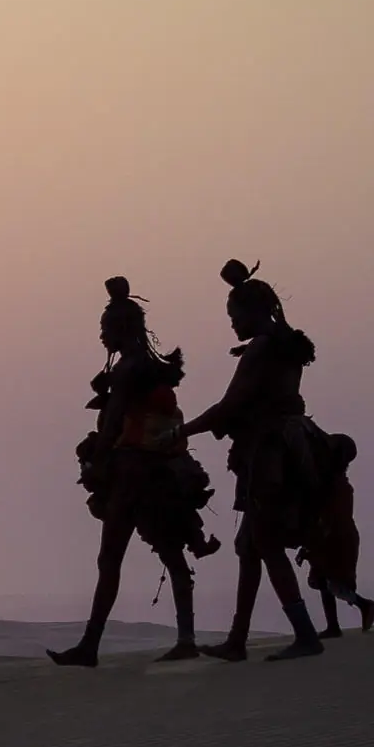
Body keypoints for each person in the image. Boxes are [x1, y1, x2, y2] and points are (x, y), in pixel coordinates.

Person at [49, 278, 222, 668]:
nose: (101, 335)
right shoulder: (152, 368)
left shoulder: (128, 369)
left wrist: (96, 460)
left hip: (131, 475)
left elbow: (112, 426)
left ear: (119, 329)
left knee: (111, 558)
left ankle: (91, 646)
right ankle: (185, 637)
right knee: (171, 554)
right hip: (159, 472)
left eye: (105, 328)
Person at [180, 260, 329, 662]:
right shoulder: (284, 345)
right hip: (276, 449)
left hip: (267, 455)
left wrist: (183, 431)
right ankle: (237, 640)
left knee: (265, 543)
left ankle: (305, 634)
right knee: (249, 546)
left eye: (234, 316)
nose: (232, 325)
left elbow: (230, 405)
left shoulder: (262, 349)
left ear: (250, 311)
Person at [298, 432, 374, 636]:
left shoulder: (336, 485)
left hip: (336, 537)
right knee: (324, 581)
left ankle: (361, 605)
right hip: (332, 535)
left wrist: (313, 542)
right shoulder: (333, 483)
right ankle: (333, 624)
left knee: (332, 582)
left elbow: (332, 517)